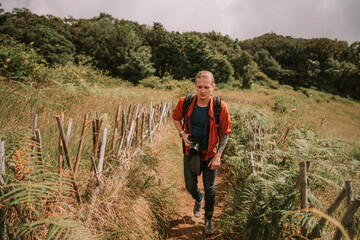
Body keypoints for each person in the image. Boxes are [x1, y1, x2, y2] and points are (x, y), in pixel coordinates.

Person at [172, 70, 231, 236]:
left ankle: (208, 220)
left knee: (210, 188)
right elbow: (176, 117)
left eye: (206, 87)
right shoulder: (185, 102)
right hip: (191, 151)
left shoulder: (220, 106)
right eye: (200, 87)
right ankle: (198, 199)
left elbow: (225, 133)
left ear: (213, 87)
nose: (203, 90)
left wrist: (218, 155)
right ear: (195, 86)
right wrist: (182, 133)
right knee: (190, 185)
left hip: (211, 153)